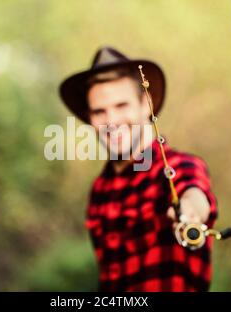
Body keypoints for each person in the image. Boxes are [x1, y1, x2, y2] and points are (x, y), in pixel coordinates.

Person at [59, 46, 218, 291]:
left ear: (146, 105)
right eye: (100, 111)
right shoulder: (99, 189)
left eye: (121, 106)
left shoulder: (181, 166)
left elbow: (194, 194)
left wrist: (188, 212)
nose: (111, 121)